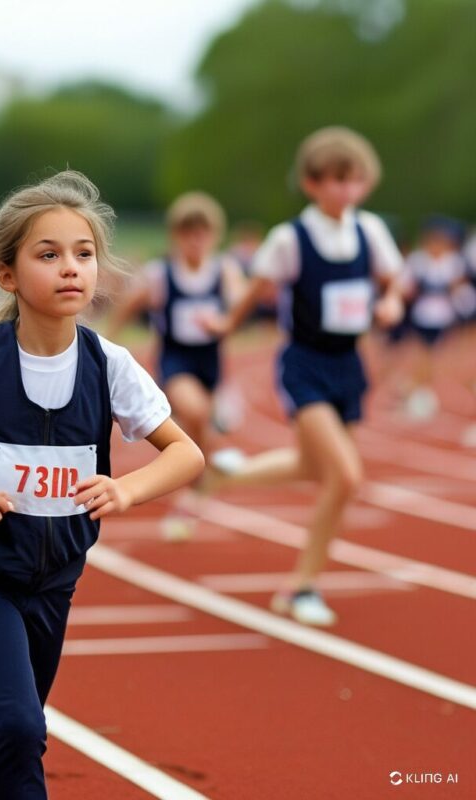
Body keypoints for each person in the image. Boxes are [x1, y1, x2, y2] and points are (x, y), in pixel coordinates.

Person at [0, 171, 205, 800]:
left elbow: (185, 453)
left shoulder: (110, 365)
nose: (71, 269)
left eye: (83, 255)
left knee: (13, 716)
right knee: (23, 724)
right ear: (7, 276)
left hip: (56, 577)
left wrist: (128, 490)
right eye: (49, 254)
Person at [206, 127, 404, 626]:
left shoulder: (370, 232)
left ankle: (233, 472)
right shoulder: (290, 238)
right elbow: (256, 291)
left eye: (354, 180)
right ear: (313, 183)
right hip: (305, 364)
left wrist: (392, 301)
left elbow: (394, 279)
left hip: (349, 365)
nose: (346, 190)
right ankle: (301, 587)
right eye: (336, 180)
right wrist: (227, 324)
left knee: (317, 468)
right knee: (346, 476)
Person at [108, 191, 245, 478]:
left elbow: (240, 305)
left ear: (215, 235)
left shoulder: (224, 270)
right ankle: (199, 470)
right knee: (194, 411)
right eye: (188, 234)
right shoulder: (160, 273)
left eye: (202, 233)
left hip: (211, 361)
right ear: (175, 236)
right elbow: (127, 306)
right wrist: (109, 341)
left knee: (201, 419)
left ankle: (201, 470)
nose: (196, 241)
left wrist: (222, 323)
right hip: (176, 359)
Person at [401, 215, 468, 420]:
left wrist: (464, 307)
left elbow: (459, 289)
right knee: (422, 355)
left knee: (442, 358)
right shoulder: (418, 261)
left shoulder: (453, 262)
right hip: (422, 316)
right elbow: (406, 287)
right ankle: (418, 392)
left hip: (444, 317)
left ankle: (423, 392)